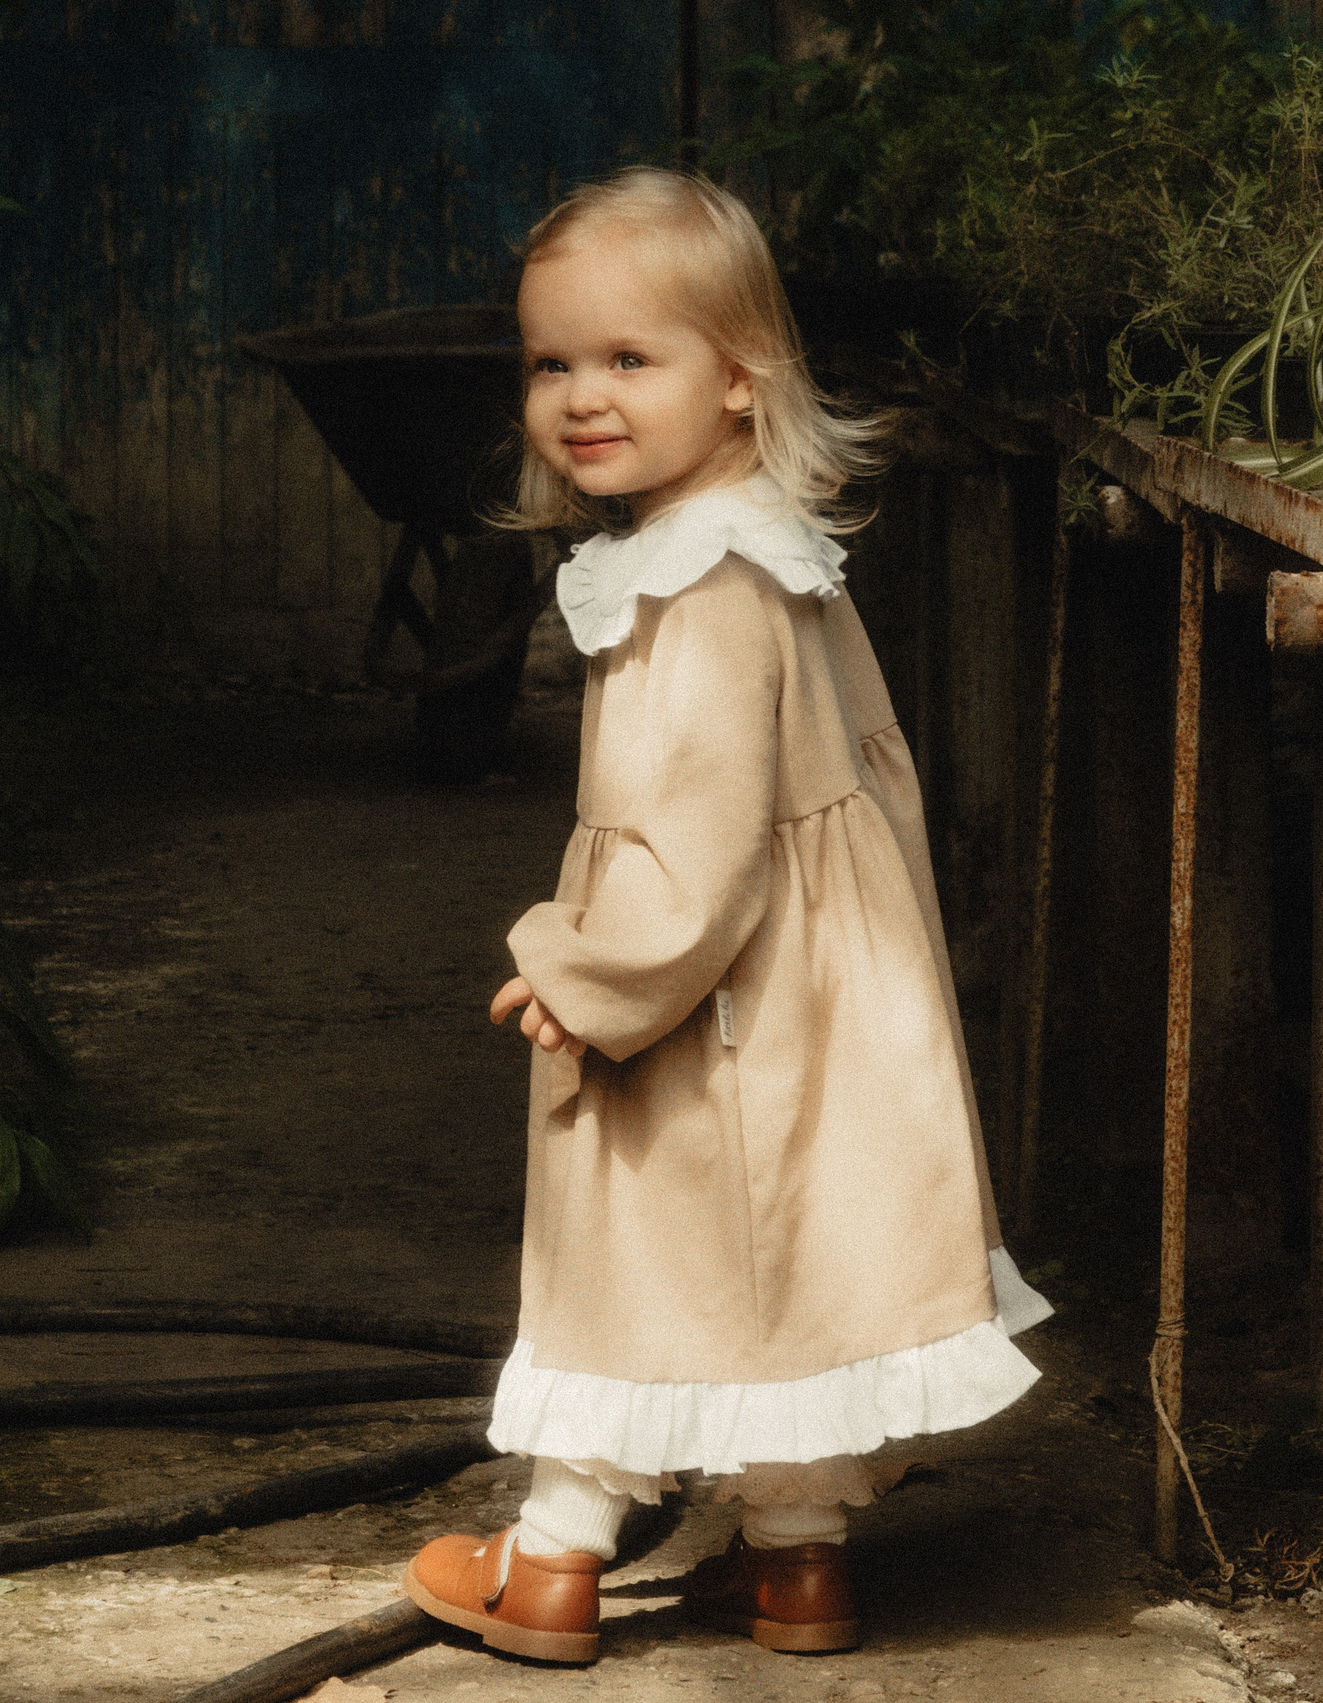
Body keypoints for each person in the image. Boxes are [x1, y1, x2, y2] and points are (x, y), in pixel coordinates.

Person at [401, 166, 1053, 1666]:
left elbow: (694, 852)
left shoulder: (697, 590)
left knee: (643, 1261)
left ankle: (553, 1562)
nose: (581, 397)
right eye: (552, 362)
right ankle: (796, 1563)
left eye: (631, 360)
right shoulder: (759, 544)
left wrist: (590, 973)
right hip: (816, 992)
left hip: (708, 997)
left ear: (740, 382)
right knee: (790, 1271)